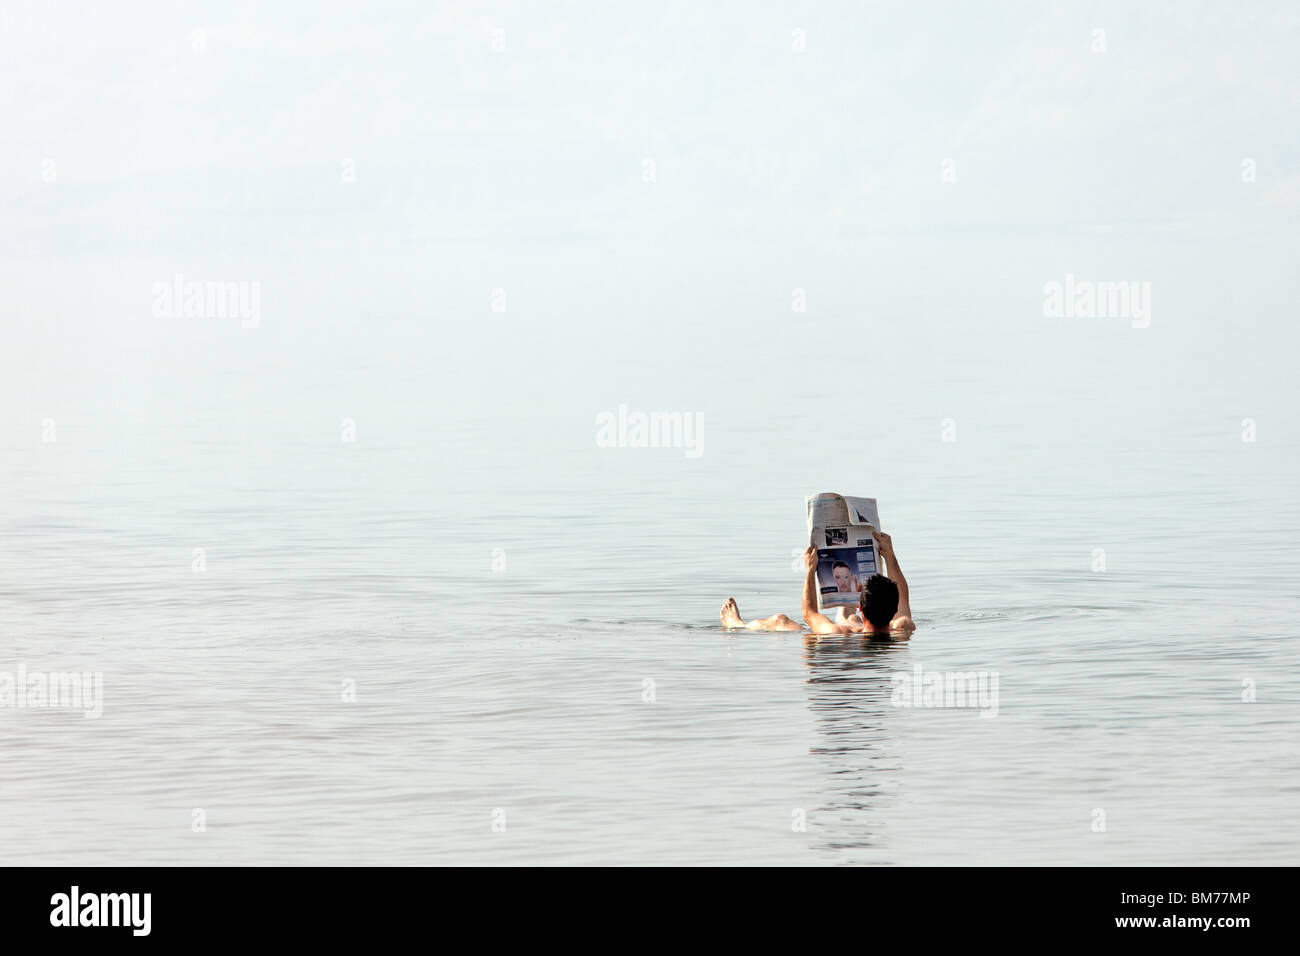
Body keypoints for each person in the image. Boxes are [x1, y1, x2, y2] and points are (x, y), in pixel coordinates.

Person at [719, 531, 914, 636]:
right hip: (862, 628)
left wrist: (810, 570)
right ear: (894, 607)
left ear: (861, 608)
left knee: (779, 619)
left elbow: (810, 614)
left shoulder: (838, 634)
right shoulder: (903, 627)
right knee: (851, 619)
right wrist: (889, 555)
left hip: (840, 637)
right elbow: (903, 595)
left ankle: (738, 625)